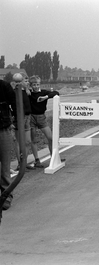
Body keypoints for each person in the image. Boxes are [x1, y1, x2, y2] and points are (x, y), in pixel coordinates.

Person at [28, 75, 59, 168]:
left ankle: (53, 156)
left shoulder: (44, 92)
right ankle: (37, 160)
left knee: (51, 137)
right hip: (31, 118)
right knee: (33, 140)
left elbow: (56, 93)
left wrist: (45, 97)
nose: (36, 86)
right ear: (31, 85)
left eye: (37, 84)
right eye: (34, 84)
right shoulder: (29, 94)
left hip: (41, 117)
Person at [12, 72, 35, 171]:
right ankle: (20, 163)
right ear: (20, 81)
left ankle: (24, 162)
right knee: (18, 141)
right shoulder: (15, 91)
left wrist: (26, 89)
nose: (27, 83)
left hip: (27, 117)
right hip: (19, 117)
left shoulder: (27, 91)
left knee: (27, 141)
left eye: (27, 81)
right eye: (25, 81)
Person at [0, 79, 17, 210]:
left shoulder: (4, 86)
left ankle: (6, 196)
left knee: (5, 166)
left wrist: (16, 123)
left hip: (3, 128)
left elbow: (15, 105)